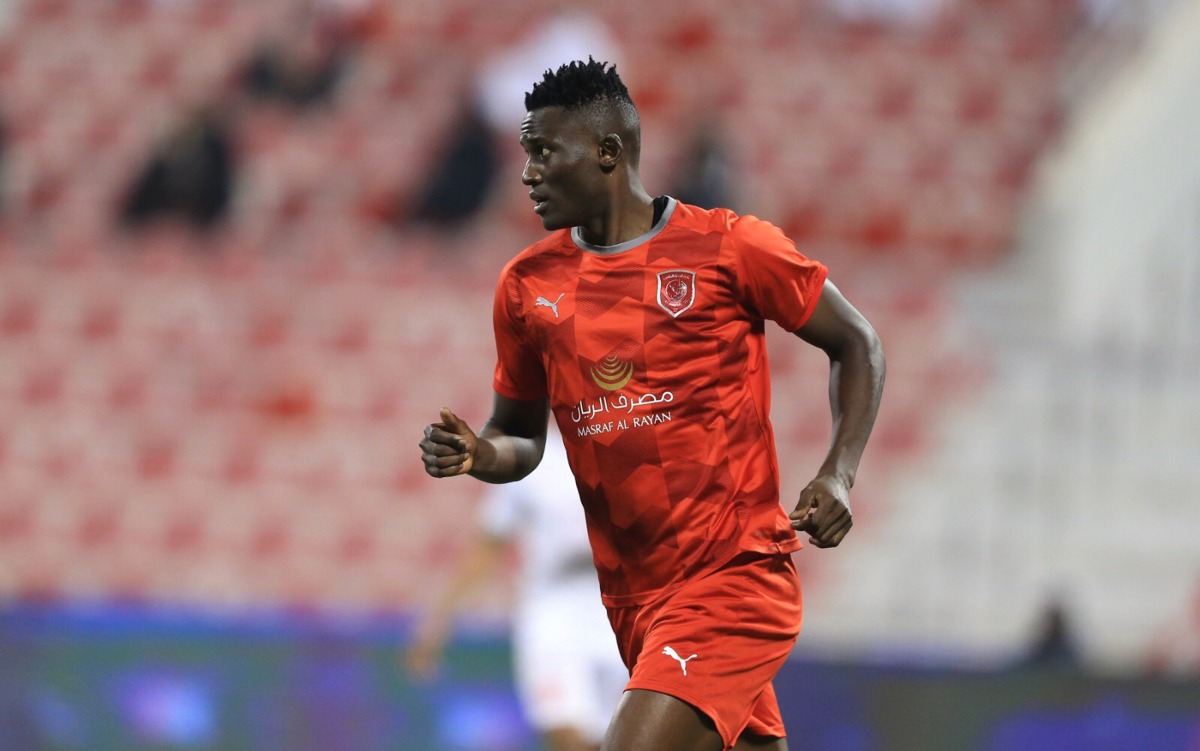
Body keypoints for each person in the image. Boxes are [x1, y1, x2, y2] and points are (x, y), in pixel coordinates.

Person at [419, 59, 885, 751]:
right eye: (526, 154)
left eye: (546, 152)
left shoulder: (729, 248)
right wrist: (480, 454)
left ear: (608, 152)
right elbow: (519, 438)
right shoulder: (526, 286)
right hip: (634, 604)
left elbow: (857, 343)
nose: (528, 173)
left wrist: (839, 471)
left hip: (732, 579)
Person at [406, 429, 628, 751]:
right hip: (553, 612)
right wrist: (438, 622)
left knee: (620, 737)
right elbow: (487, 547)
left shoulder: (626, 450)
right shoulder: (528, 460)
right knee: (567, 735)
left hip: (617, 607)